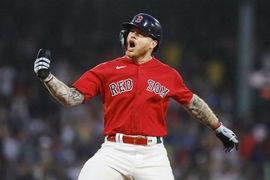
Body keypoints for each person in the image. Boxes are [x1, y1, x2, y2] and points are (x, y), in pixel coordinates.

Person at [34, 13, 239, 180]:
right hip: (114, 150)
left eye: (140, 33)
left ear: (153, 44)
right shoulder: (106, 70)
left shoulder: (168, 74)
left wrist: (218, 128)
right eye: (132, 31)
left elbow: (192, 102)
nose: (133, 35)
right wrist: (48, 77)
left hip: (153, 154)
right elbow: (71, 97)